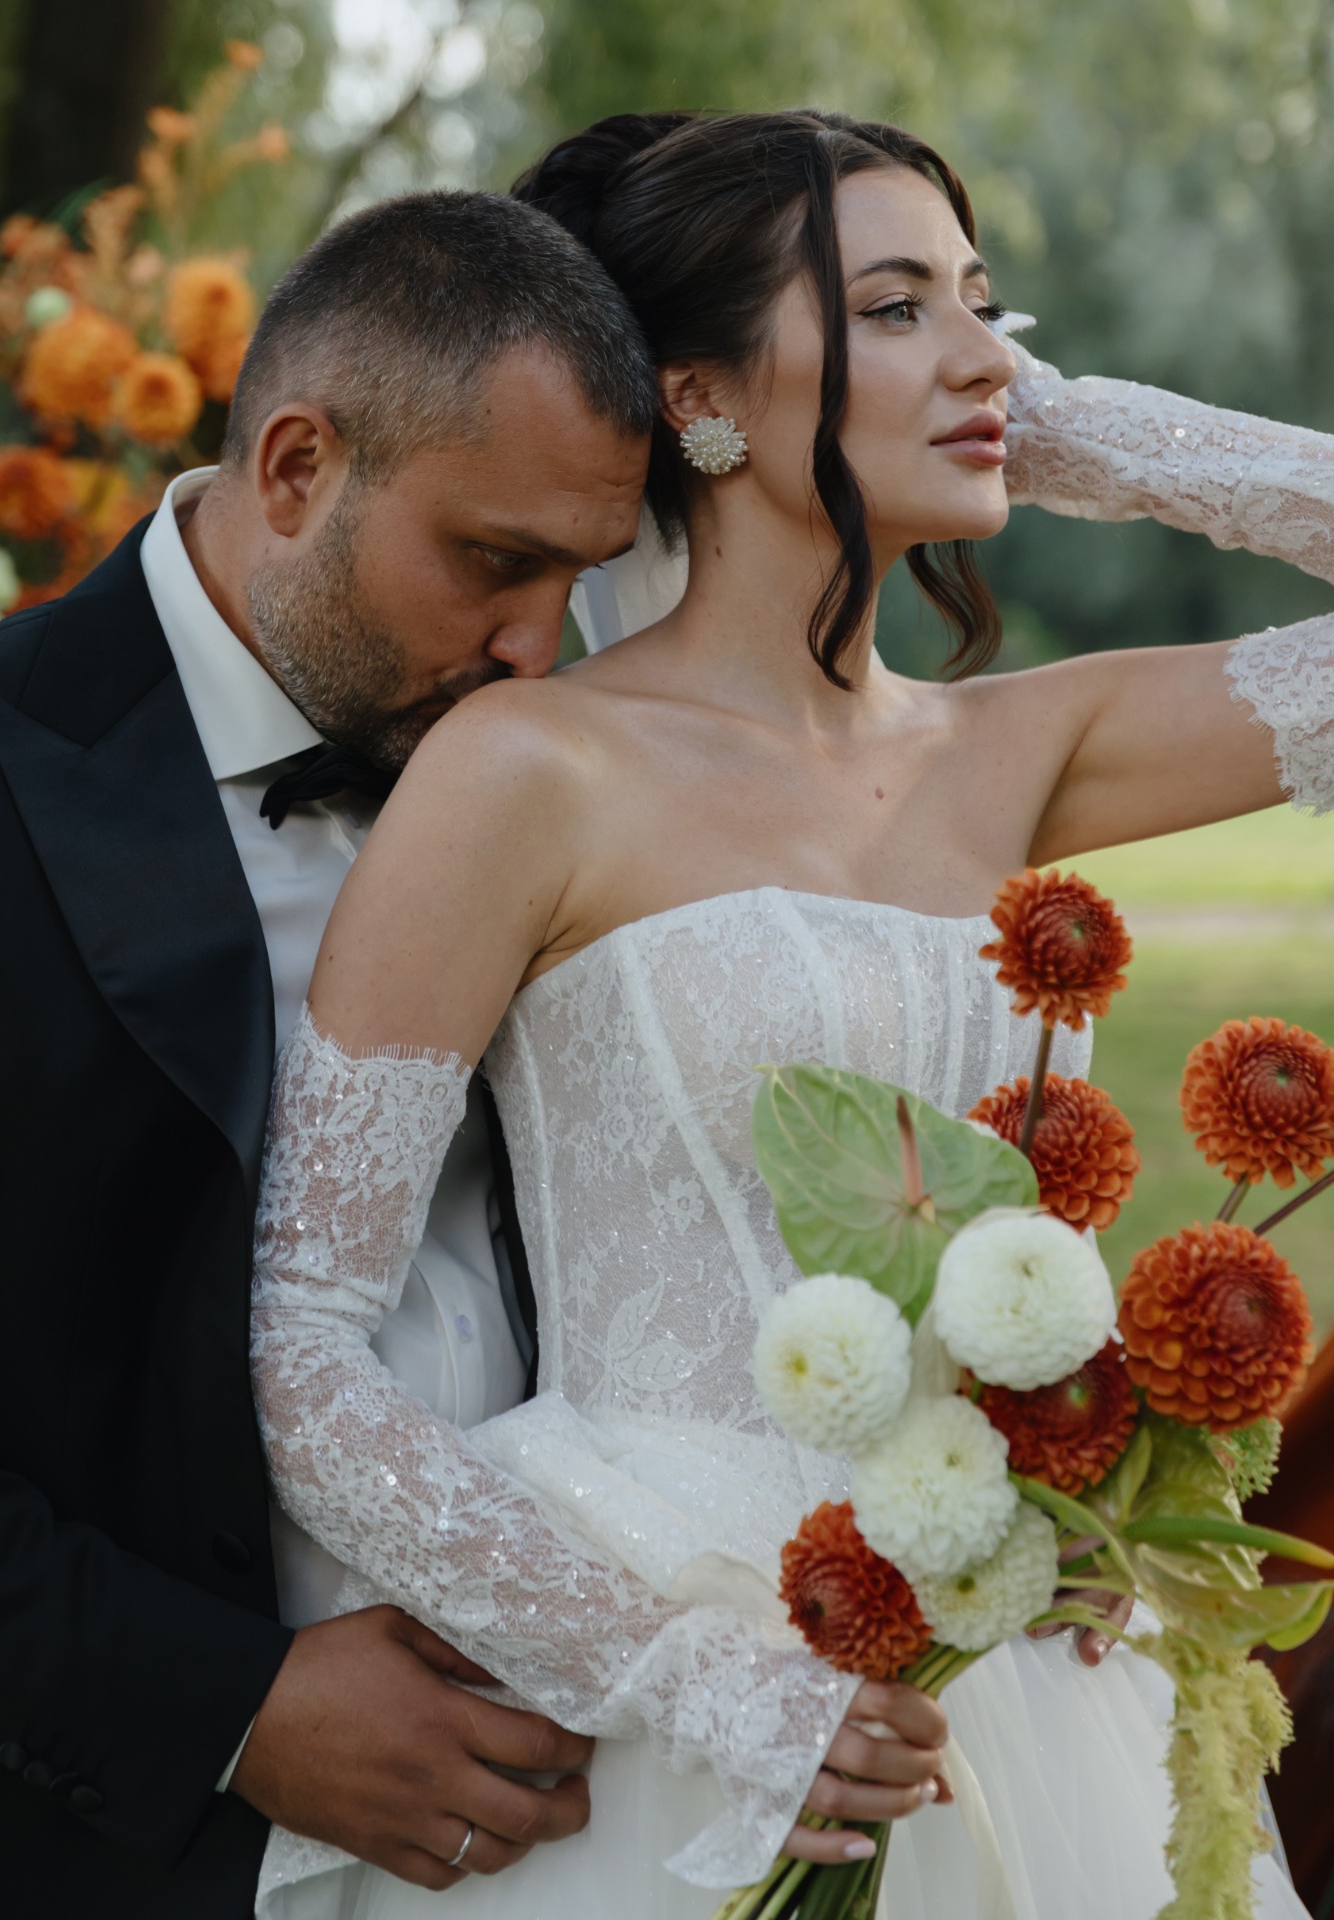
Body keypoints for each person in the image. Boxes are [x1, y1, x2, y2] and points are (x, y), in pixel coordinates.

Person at [247, 112, 1332, 1917]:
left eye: (987, 304)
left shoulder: (1020, 745)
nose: (986, 357)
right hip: (650, 1661)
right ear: (697, 398)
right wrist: (697, 1686)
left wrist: (1065, 433)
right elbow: (300, 1337)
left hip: (1015, 1658)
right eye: (895, 307)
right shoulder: (527, 768)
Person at [0, 190, 657, 1919]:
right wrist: (231, 1712)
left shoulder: (571, 789)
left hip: (574, 1822)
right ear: (295, 467)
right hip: (80, 1849)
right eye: (495, 562)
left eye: (581, 579)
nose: (537, 647)